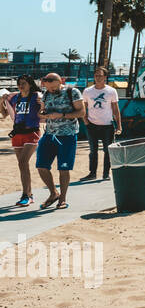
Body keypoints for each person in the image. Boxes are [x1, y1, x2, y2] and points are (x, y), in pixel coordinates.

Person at [35, 72, 84, 210]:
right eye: (49, 88)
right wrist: (44, 114)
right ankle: (53, 193)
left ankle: (62, 199)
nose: (51, 91)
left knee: (63, 168)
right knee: (41, 166)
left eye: (54, 89)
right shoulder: (46, 94)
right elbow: (41, 112)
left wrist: (61, 115)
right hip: (49, 134)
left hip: (67, 135)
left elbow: (81, 112)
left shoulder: (72, 92)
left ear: (60, 82)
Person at [3, 74, 43, 207]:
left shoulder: (36, 96)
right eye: (19, 83)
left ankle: (26, 195)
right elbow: (4, 114)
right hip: (17, 133)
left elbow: (44, 107)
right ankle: (29, 194)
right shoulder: (14, 98)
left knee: (23, 162)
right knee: (22, 165)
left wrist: (43, 106)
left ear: (30, 84)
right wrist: (1, 101)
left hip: (32, 133)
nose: (21, 85)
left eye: (24, 83)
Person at [80, 66, 121, 182]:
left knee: (108, 151)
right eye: (96, 75)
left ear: (105, 77)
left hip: (107, 125)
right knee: (93, 151)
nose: (98, 78)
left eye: (100, 76)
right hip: (92, 125)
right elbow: (83, 107)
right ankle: (92, 173)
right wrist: (86, 121)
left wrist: (119, 125)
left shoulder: (111, 91)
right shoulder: (88, 91)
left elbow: (116, 109)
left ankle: (106, 174)